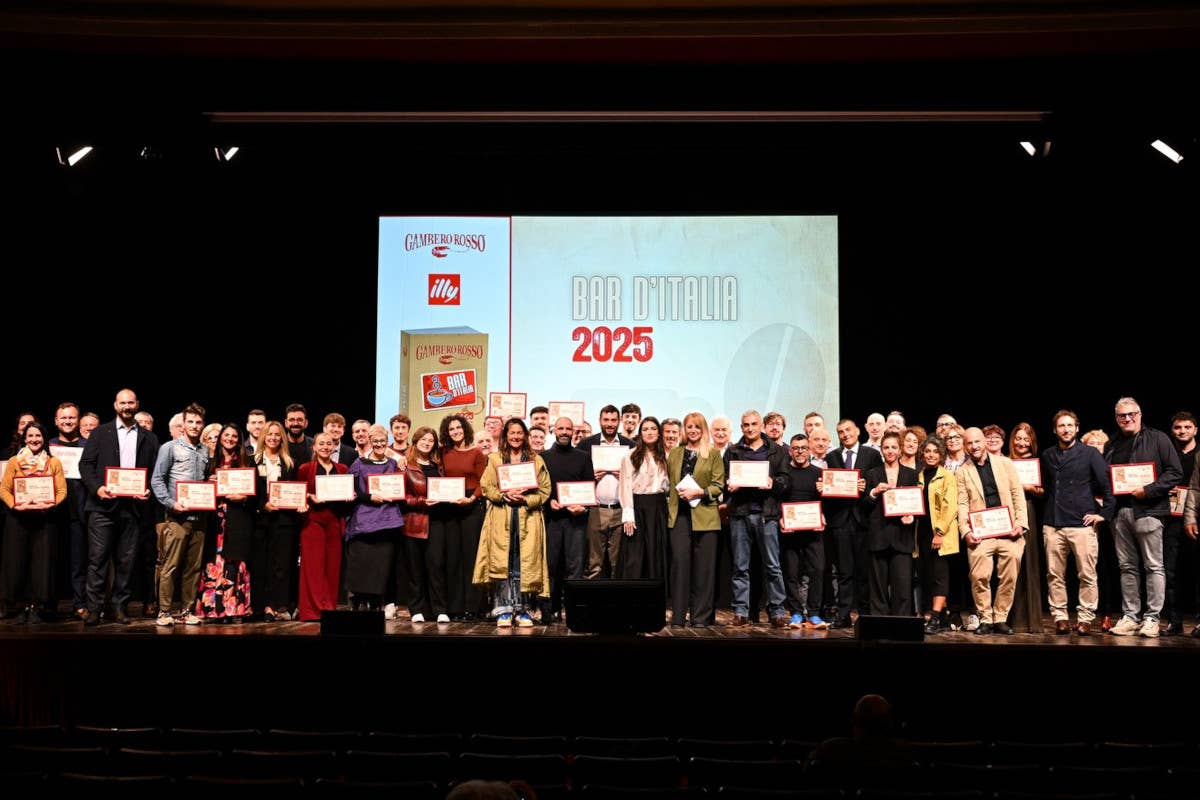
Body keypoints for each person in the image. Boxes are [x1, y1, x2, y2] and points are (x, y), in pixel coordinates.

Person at [79, 388, 160, 625]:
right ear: (115, 405)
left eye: (131, 402)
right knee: (98, 559)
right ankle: (94, 609)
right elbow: (86, 465)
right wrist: (98, 489)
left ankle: (119, 607)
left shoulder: (149, 438)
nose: (127, 406)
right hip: (102, 506)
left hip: (133, 509)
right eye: (122, 403)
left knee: (126, 561)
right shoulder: (100, 433)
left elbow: (155, 474)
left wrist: (148, 490)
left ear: (137, 405)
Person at [1104, 397, 1182, 637]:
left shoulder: (1158, 438)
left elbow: (1175, 472)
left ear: (1140, 414)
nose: (1127, 418)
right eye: (1122, 415)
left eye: (1132, 414)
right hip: (1120, 513)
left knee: (1154, 566)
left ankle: (1152, 618)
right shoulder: (1112, 444)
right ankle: (1130, 616)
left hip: (1149, 511)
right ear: (1116, 418)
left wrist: (1147, 490)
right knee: (1126, 566)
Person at [473, 418, 550, 627]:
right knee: (503, 562)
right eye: (512, 433)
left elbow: (545, 490)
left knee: (523, 562)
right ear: (506, 435)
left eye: (519, 433)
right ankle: (503, 610)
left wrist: (526, 499)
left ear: (524, 435)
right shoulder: (496, 459)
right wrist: (503, 496)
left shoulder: (535, 459)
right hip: (501, 516)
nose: (515, 437)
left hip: (528, 517)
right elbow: (486, 486)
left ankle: (523, 610)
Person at [1041, 410, 1112, 635]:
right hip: (1053, 524)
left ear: (1077, 428)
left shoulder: (1090, 453)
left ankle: (1085, 618)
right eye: (1061, 426)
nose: (1066, 429)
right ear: (1055, 430)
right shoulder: (1048, 455)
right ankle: (1060, 617)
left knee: (1087, 574)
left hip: (1082, 524)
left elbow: (1107, 486)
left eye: (1070, 425)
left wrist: (1104, 513)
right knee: (1054, 575)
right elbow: (1045, 486)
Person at [957, 427, 1028, 635]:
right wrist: (965, 531)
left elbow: (1017, 494)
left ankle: (1000, 618)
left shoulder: (1005, 464)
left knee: (1009, 576)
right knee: (979, 576)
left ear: (985, 442)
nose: (974, 446)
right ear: (965, 446)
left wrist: (1021, 524)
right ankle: (985, 618)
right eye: (969, 443)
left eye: (977, 442)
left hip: (1009, 531)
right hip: (981, 533)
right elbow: (962, 504)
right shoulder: (963, 471)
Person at [724, 410, 790, 627]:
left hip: (766, 515)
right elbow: (726, 480)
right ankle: (741, 611)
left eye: (753, 424)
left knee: (772, 565)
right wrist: (729, 485)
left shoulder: (776, 451)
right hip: (740, 514)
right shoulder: (733, 451)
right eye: (745, 425)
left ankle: (777, 611)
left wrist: (773, 483)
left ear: (761, 425)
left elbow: (786, 481)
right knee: (740, 566)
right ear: (741, 427)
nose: (750, 428)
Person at [1, 421, 68, 623]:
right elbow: (4, 489)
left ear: (44, 438)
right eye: (30, 436)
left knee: (43, 565)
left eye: (38, 436)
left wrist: (50, 504)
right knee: (17, 563)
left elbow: (61, 491)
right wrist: (15, 505)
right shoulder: (14, 461)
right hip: (18, 520)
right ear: (24, 438)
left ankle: (40, 607)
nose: (34, 440)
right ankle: (18, 608)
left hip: (44, 519)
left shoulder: (53, 462)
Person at [150, 402, 210, 626]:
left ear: (203, 424)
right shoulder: (170, 447)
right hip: (176, 517)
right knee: (170, 565)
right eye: (190, 422)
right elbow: (157, 479)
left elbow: (205, 480)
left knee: (193, 568)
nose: (195, 426)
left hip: (200, 517)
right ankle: (164, 611)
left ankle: (186, 611)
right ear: (183, 424)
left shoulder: (205, 450)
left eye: (198, 422)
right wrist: (171, 503)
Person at [823, 418, 882, 627]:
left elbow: (876, 487)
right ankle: (844, 614)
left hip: (863, 520)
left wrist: (865, 488)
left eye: (848, 429)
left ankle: (865, 614)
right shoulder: (832, 457)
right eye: (840, 432)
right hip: (840, 521)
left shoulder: (873, 455)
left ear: (857, 431)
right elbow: (829, 490)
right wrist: (824, 489)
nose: (845, 434)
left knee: (864, 571)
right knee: (844, 572)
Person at [346, 424, 405, 613]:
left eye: (382, 441)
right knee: (364, 563)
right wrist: (370, 497)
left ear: (387, 442)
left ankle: (381, 602)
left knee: (383, 564)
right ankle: (362, 599)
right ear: (370, 442)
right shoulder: (358, 464)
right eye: (375, 441)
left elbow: (399, 487)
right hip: (364, 519)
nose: (379, 444)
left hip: (388, 519)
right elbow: (353, 489)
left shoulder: (392, 464)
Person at [435, 414, 488, 621]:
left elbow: (484, 482)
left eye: (458, 427)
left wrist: (472, 498)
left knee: (470, 557)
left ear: (465, 428)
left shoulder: (476, 453)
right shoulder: (443, 452)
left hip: (471, 507)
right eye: (451, 429)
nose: (455, 431)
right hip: (449, 506)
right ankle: (454, 607)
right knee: (453, 558)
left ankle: (472, 607)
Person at [539, 416, 592, 624]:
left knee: (575, 569)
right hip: (551, 519)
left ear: (573, 432)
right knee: (551, 567)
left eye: (568, 429)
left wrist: (584, 506)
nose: (564, 432)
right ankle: (549, 611)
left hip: (576, 521)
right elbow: (539, 487)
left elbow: (590, 486)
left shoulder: (583, 457)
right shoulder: (543, 457)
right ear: (553, 430)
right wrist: (548, 501)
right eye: (560, 428)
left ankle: (574, 611)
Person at [861, 432, 918, 616]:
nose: (890, 451)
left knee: (902, 586)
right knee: (878, 587)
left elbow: (916, 503)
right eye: (886, 447)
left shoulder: (911, 474)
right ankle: (880, 625)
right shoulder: (872, 473)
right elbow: (864, 505)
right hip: (879, 535)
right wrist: (874, 492)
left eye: (894, 447)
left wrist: (912, 516)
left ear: (900, 450)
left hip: (902, 536)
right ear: (881, 450)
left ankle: (901, 625)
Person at [200, 423, 253, 620]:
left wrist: (244, 497)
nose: (230, 439)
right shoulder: (210, 461)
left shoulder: (247, 461)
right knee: (214, 561)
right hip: (215, 519)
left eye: (234, 436)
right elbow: (198, 488)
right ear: (221, 436)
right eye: (226, 435)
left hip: (238, 519)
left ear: (239, 439)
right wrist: (208, 483)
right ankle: (212, 609)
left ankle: (234, 609)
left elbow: (255, 493)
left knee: (234, 562)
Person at [577, 405, 634, 579]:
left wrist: (626, 475)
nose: (609, 424)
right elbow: (577, 476)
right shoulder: (586, 444)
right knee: (594, 562)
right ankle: (592, 603)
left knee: (618, 562)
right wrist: (590, 476)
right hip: (596, 509)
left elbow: (637, 479)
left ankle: (616, 603)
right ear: (600, 421)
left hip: (620, 510)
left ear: (619, 421)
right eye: (606, 420)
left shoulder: (629, 445)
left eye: (613, 420)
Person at [254, 420, 301, 620]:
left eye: (277, 434)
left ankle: (279, 605)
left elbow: (295, 490)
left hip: (284, 521)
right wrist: (263, 505)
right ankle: (264, 606)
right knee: (262, 563)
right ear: (263, 436)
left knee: (282, 564)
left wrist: (299, 502)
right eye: (270, 434)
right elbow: (251, 492)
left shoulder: (290, 462)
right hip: (261, 521)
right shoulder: (253, 461)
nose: (273, 437)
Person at [780, 433, 826, 629]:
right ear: (790, 451)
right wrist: (781, 518)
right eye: (796, 448)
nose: (800, 451)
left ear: (810, 450)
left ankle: (814, 614)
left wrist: (823, 514)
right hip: (790, 531)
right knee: (790, 573)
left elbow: (826, 502)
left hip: (813, 531)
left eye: (803, 448)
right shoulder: (784, 473)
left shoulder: (819, 473)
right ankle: (796, 613)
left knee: (818, 569)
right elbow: (777, 499)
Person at [296, 433, 344, 621]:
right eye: (321, 443)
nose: (325, 446)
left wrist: (349, 496)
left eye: (329, 443)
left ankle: (329, 608)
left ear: (334, 447)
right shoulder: (305, 468)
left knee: (332, 567)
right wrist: (309, 496)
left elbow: (345, 495)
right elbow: (299, 492)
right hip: (313, 521)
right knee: (313, 567)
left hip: (333, 521)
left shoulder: (342, 468)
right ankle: (312, 611)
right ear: (314, 447)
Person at [915, 436, 959, 634]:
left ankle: (934, 617)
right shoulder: (920, 476)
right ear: (922, 454)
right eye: (928, 451)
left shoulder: (947, 476)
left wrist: (939, 532)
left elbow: (950, 507)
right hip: (921, 533)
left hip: (940, 533)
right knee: (928, 575)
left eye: (935, 452)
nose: (931, 455)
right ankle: (940, 617)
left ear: (941, 455)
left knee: (940, 576)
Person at [49, 402, 89, 619]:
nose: (67, 421)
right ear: (56, 421)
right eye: (63, 418)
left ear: (78, 419)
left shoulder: (88, 445)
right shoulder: (48, 446)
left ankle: (79, 604)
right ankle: (48, 604)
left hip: (79, 512)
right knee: (50, 560)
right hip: (50, 512)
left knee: (78, 562)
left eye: (72, 418)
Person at [619, 416, 670, 581]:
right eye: (645, 429)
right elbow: (625, 485)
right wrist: (628, 515)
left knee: (656, 552)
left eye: (653, 429)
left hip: (659, 507)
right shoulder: (630, 456)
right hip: (638, 506)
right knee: (635, 555)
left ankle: (655, 597)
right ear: (640, 433)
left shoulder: (666, 455)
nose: (649, 432)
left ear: (659, 432)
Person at [1007, 421, 1046, 633]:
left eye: (1026, 438)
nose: (1022, 442)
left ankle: (1031, 620)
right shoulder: (1004, 462)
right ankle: (1011, 619)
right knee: (1010, 564)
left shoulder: (1038, 464)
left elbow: (1045, 492)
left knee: (1029, 562)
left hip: (1029, 511)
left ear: (1032, 441)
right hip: (1008, 513)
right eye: (1018, 438)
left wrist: (1033, 489)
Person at [399, 426, 439, 622]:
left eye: (431, 440)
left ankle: (436, 610)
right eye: (423, 439)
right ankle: (416, 610)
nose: (427, 443)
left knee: (436, 568)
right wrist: (420, 502)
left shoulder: (438, 465)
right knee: (415, 570)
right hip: (414, 522)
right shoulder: (405, 465)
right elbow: (401, 497)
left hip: (438, 522)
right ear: (415, 441)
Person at [1164, 411, 1198, 635]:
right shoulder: (1167, 454)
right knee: (1170, 570)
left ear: (1195, 429)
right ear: (1172, 430)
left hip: (1195, 518)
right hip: (1171, 518)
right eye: (1178, 427)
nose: (1182, 431)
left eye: (1187, 427)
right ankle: (1174, 621)